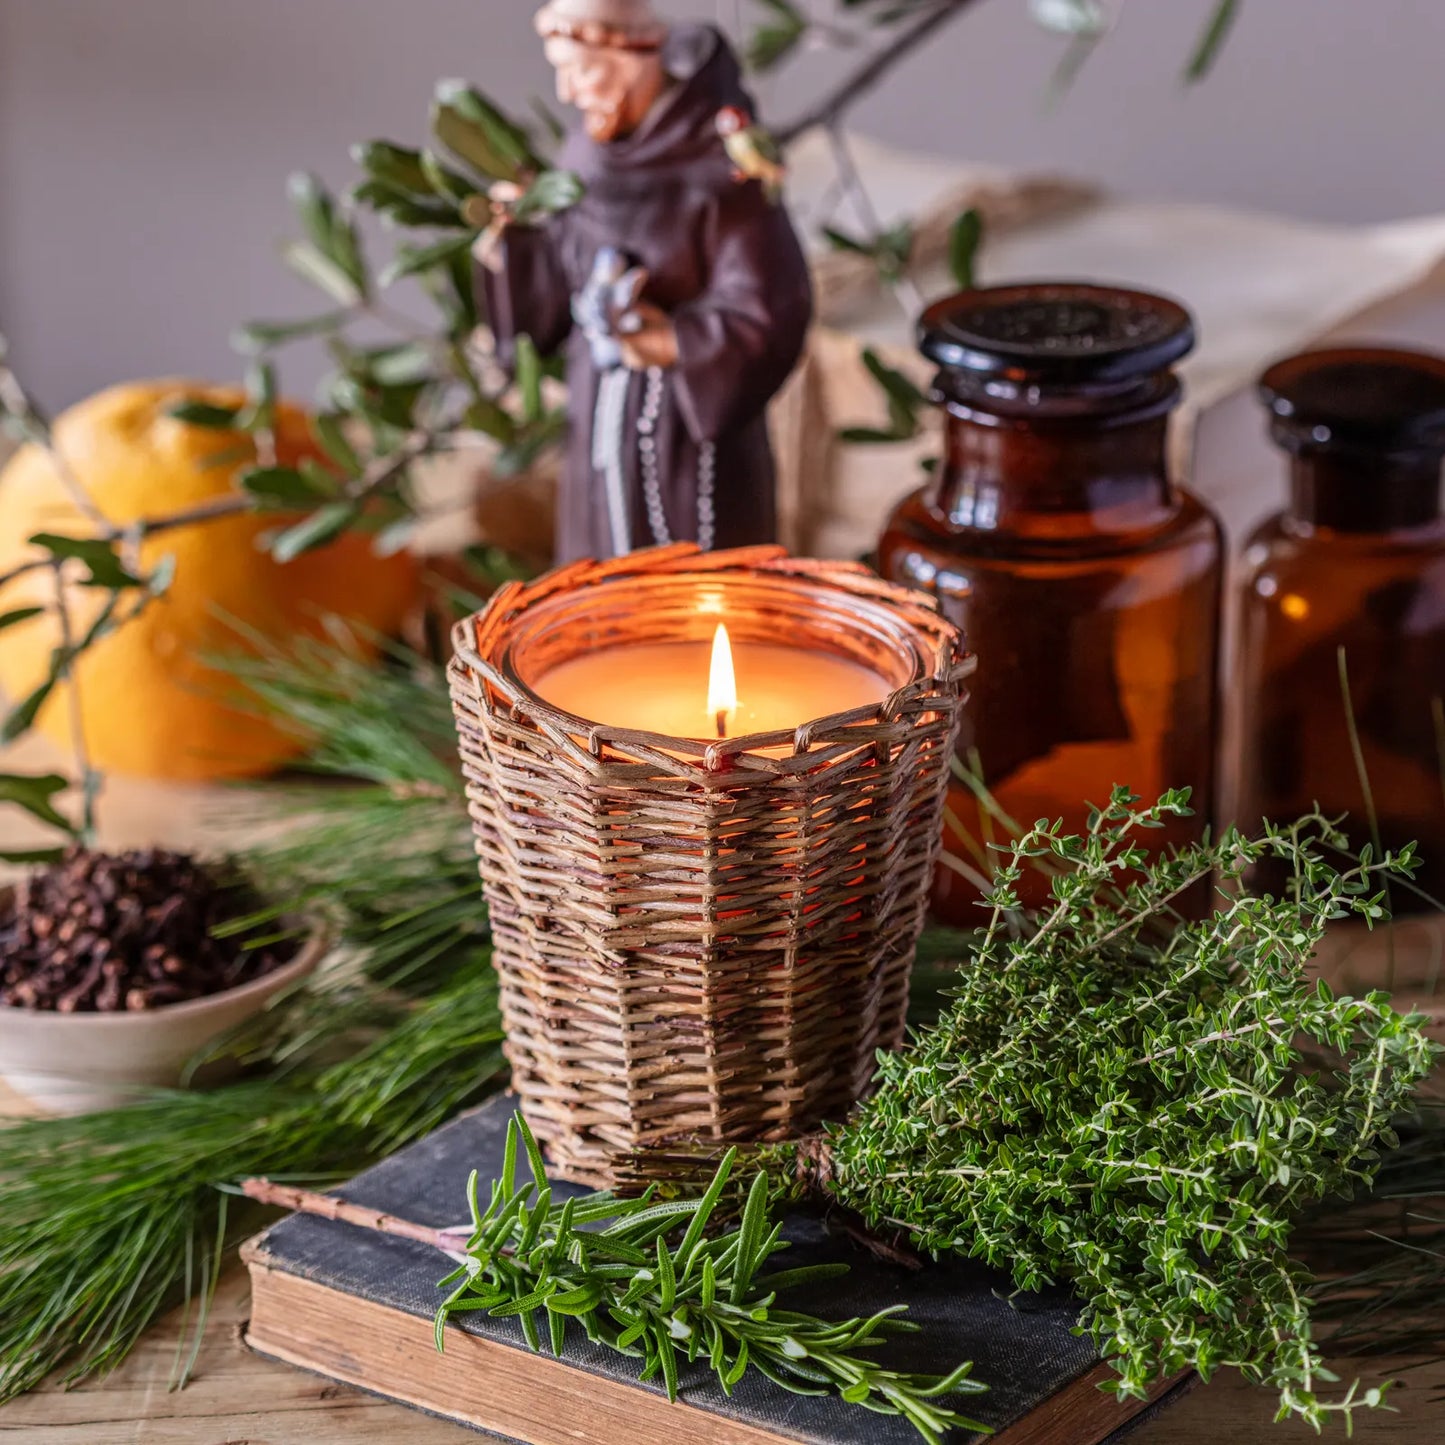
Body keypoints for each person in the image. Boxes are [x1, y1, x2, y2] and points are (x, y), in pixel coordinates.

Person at [477, 0, 813, 562]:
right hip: (598, 416)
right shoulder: (585, 156)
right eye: (559, 70)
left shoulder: (722, 170)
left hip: (684, 436)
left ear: (629, 56)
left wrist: (673, 342)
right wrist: (515, 242)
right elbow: (558, 288)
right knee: (598, 575)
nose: (566, 92)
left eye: (580, 70)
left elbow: (771, 306)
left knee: (695, 581)